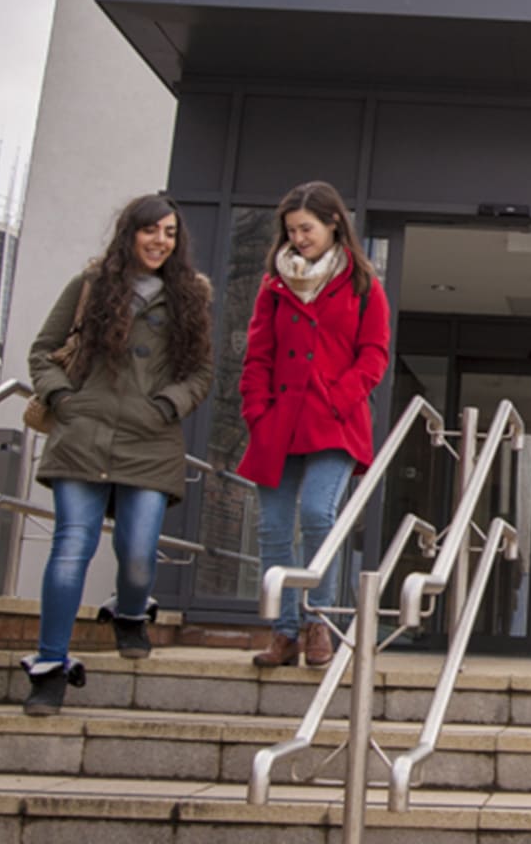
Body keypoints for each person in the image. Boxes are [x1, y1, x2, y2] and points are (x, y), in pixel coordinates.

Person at [24, 194, 214, 716]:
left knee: (137, 552)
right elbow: (43, 350)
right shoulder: (89, 287)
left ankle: (131, 613)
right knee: (71, 547)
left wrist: (167, 405)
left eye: (170, 233)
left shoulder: (191, 298)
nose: (160, 241)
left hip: (150, 441)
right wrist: (63, 398)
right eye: (151, 230)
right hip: (82, 435)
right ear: (129, 233)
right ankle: (49, 666)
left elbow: (200, 372)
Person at [238, 181, 391, 668]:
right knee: (275, 528)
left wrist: (341, 398)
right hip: (277, 421)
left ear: (333, 224)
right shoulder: (274, 286)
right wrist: (255, 411)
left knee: (320, 515)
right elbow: (257, 354)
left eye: (306, 228)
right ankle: (283, 633)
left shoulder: (364, 285)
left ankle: (318, 623)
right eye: (291, 231)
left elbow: (374, 354)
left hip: (334, 422)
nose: (299, 238)